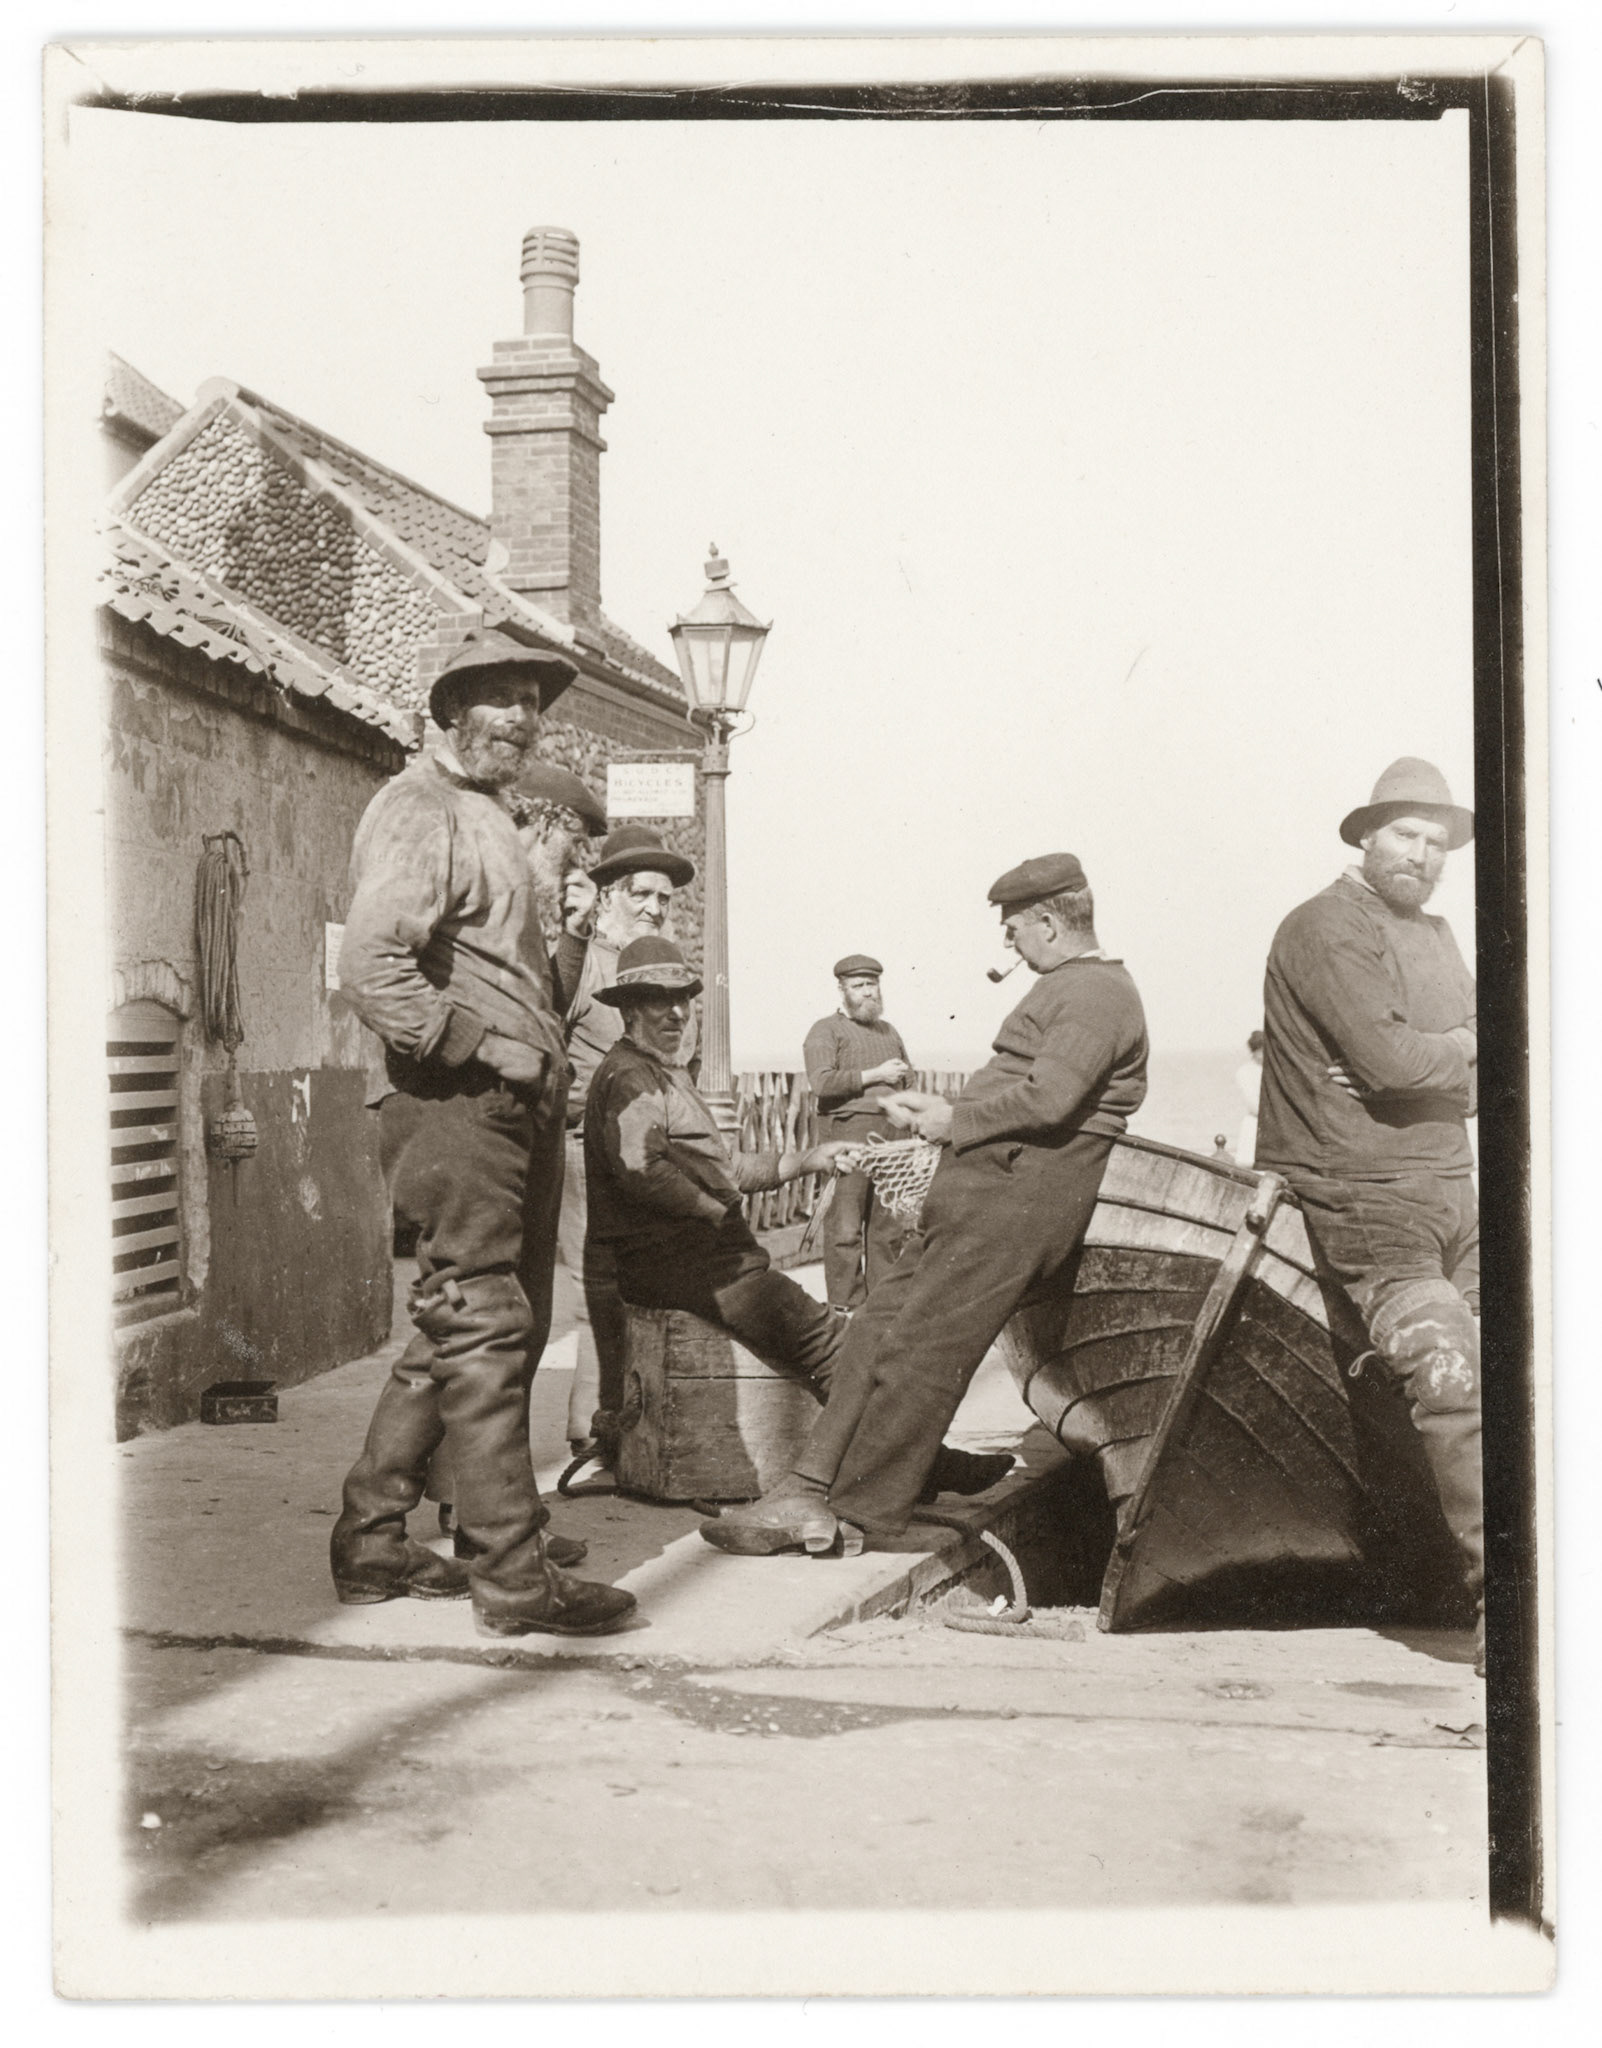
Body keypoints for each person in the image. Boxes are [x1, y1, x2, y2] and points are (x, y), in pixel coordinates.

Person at [703, 853, 1147, 1556]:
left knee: (921, 1355)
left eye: (1014, 930)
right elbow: (1030, 1089)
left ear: (1048, 922)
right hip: (979, 1197)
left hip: (1011, 1206)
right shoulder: (1073, 988)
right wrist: (946, 1109)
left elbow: (1052, 1098)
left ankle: (857, 1513)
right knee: (874, 1332)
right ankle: (807, 1486)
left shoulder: (1096, 995)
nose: (1011, 944)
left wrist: (953, 1122)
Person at [329, 629, 636, 1639]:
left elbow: (512, 977)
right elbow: (375, 964)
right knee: (487, 1323)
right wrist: (474, 1044)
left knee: (452, 1324)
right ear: (447, 710)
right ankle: (510, 1578)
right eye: (496, 697)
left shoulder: (485, 814)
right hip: (456, 1106)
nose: (520, 715)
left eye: (530, 700)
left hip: (505, 1108)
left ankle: (373, 1540)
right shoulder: (421, 810)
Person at [1254, 757, 1483, 1667]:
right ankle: (1507, 1612)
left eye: (1437, 842)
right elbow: (1389, 1065)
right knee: (1450, 1374)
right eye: (1406, 834)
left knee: (1530, 1372)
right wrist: (1455, 1051)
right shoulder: (1322, 929)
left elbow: (1490, 1054)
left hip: (1454, 1190)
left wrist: (1447, 1051)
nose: (1423, 855)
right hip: (1365, 1199)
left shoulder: (1433, 932)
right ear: (1364, 834)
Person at [583, 937, 851, 1394]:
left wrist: (808, 1159)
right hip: (685, 1264)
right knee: (826, 1339)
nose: (678, 1013)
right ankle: (912, 1462)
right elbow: (641, 1169)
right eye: (659, 999)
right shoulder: (632, 1076)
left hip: (702, 1260)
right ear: (628, 1009)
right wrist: (714, 1213)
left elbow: (724, 1168)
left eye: (683, 998)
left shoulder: (661, 1070)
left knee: (822, 1336)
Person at [554, 825, 698, 1461]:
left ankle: (617, 1422)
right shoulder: (584, 963)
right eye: (642, 894)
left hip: (643, 1152)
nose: (654, 908)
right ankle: (595, 1425)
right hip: (586, 1149)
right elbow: (541, 1043)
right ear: (609, 896)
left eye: (665, 899)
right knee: (599, 1291)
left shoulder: (658, 970)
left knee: (634, 1286)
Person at [802, 955, 913, 1314]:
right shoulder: (826, 1030)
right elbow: (821, 1082)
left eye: (872, 984)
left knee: (889, 1230)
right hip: (848, 1137)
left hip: (893, 1139)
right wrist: (874, 1075)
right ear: (842, 989)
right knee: (845, 1229)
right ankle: (846, 1308)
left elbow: (907, 1079)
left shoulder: (889, 1031)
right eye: (858, 986)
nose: (867, 992)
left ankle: (882, 1309)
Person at [1234, 1028, 1265, 1166]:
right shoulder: (1245, 1072)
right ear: (1255, 1051)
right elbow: (1253, 1105)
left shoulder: (1271, 1070)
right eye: (1262, 1051)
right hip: (1255, 1125)